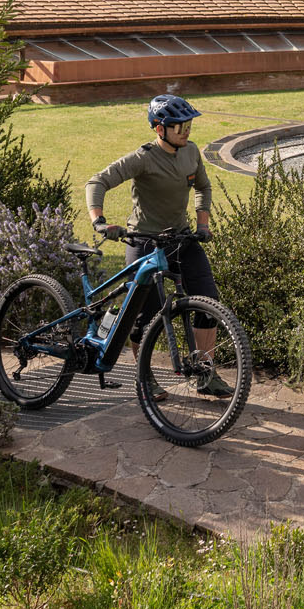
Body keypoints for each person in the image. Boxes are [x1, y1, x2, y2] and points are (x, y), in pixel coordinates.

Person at [85, 94, 231, 396]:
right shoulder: (144, 158)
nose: (186, 131)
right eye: (180, 126)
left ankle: (205, 373)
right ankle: (144, 377)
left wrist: (202, 224)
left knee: (208, 301)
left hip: (181, 239)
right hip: (144, 243)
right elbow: (97, 182)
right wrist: (99, 221)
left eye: (188, 125)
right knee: (145, 315)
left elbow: (203, 187)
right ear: (160, 129)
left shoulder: (191, 152)